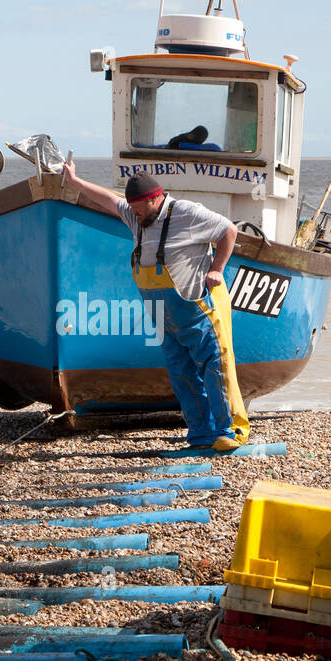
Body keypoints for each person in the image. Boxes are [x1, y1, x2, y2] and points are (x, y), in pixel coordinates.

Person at [61, 162, 250, 449]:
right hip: (164, 316)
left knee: (216, 366)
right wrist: (75, 182)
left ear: (154, 199)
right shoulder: (137, 216)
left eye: (137, 208)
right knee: (181, 373)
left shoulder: (187, 212)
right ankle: (201, 434)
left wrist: (217, 268)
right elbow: (109, 200)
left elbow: (228, 231)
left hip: (197, 308)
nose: (132, 214)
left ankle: (230, 431)